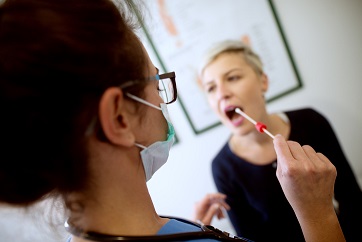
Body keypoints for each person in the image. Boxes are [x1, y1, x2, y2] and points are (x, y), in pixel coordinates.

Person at [0, 1, 346, 241]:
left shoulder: (172, 226)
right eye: (155, 81)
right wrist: (319, 216)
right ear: (119, 117)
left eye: (234, 78)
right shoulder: (223, 167)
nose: (163, 101)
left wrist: (199, 231)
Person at [195, 39, 362, 241]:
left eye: (232, 78)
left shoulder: (311, 121)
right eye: (211, 88)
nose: (222, 93)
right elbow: (250, 238)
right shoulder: (222, 166)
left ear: (263, 81)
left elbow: (352, 198)